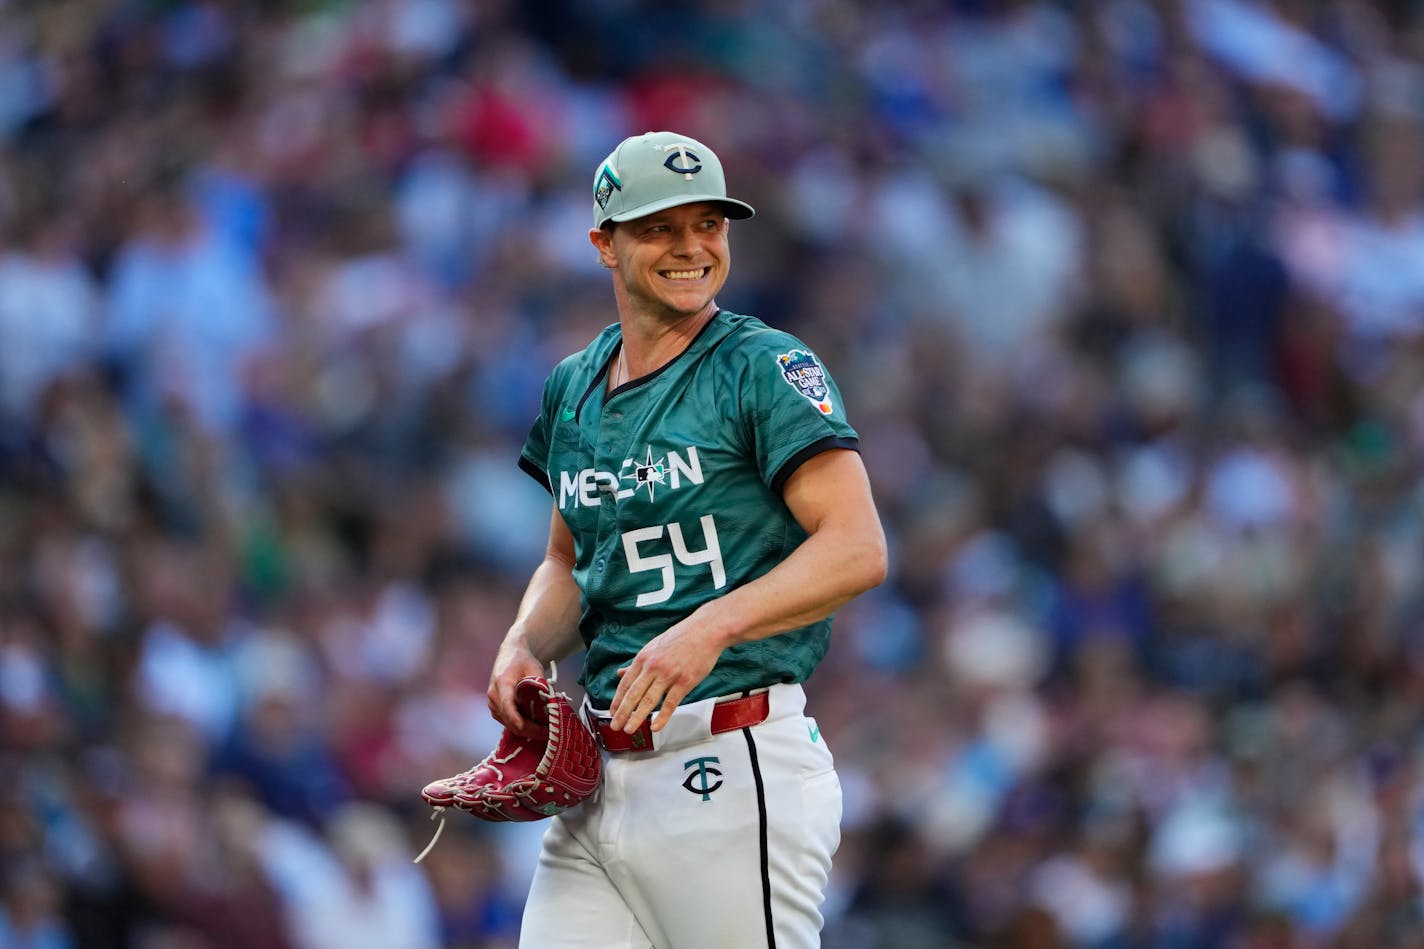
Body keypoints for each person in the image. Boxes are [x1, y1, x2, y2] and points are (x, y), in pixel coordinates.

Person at [491, 130, 887, 948]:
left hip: (731, 757)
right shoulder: (573, 384)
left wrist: (710, 627)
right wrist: (524, 643)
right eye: (660, 227)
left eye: (709, 223)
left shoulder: (761, 366)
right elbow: (571, 560)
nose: (691, 247)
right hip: (599, 779)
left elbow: (857, 547)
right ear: (604, 243)